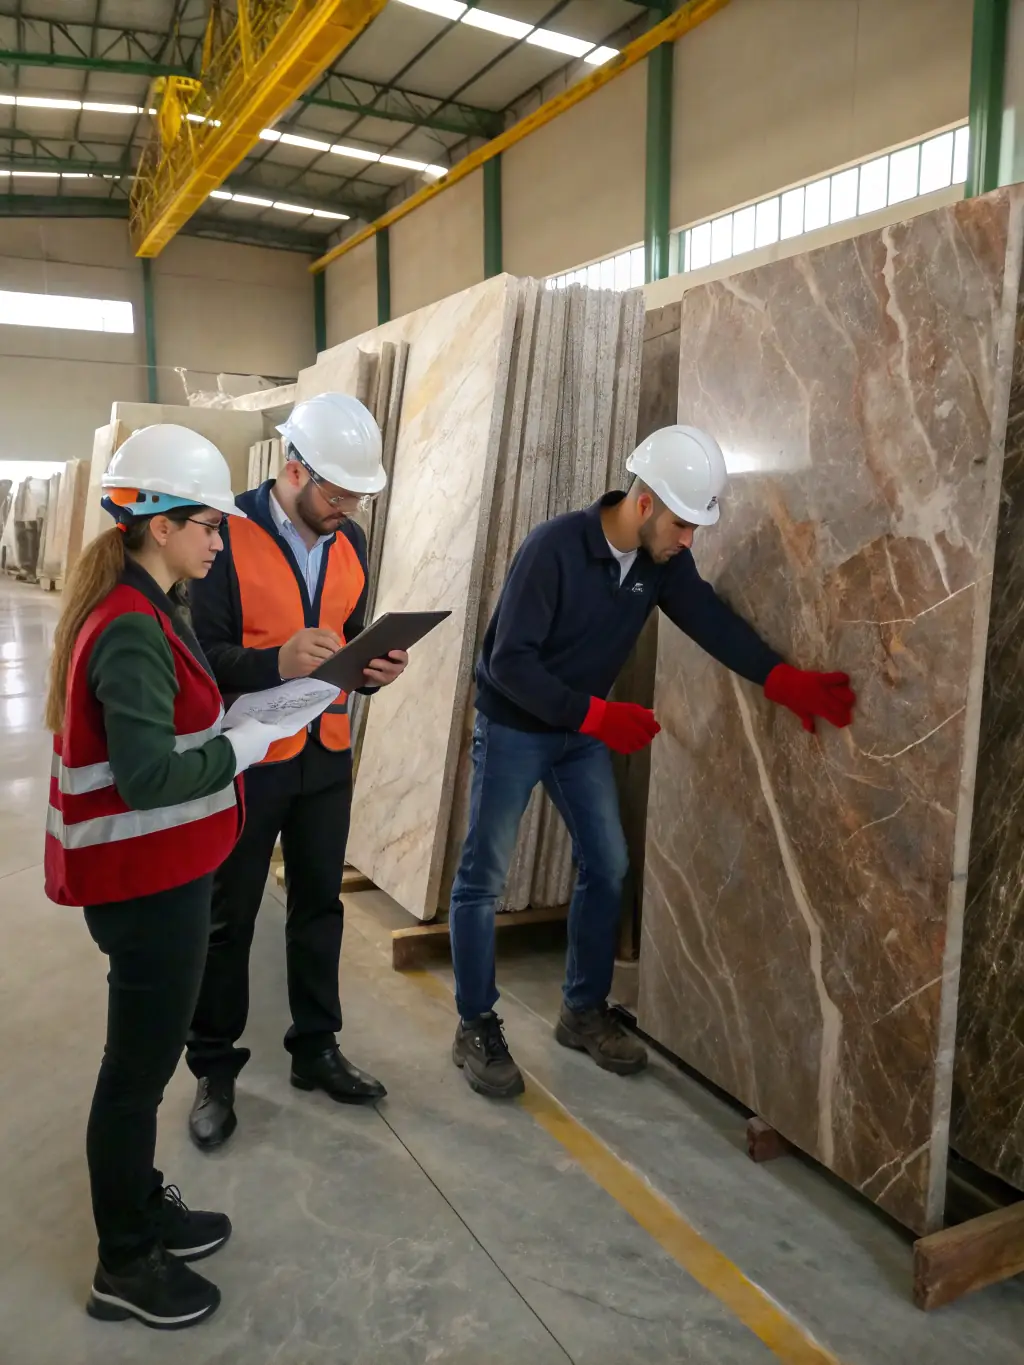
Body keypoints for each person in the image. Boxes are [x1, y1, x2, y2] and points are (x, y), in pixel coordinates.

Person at [449, 425, 857, 1099]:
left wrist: (781, 679)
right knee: (483, 879)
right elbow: (507, 664)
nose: (688, 539)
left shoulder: (660, 563)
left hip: (580, 732)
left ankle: (582, 1009)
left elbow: (709, 619)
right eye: (682, 524)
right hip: (517, 725)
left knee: (608, 864)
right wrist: (596, 717)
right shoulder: (553, 548)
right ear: (644, 503)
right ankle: (475, 1025)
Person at [43, 425, 291, 1330]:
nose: (220, 542)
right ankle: (124, 1259)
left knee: (143, 1066)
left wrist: (239, 719)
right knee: (136, 1074)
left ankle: (143, 1206)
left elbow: (170, 728)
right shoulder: (129, 626)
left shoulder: (150, 606)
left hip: (165, 871)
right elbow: (148, 775)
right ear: (159, 524)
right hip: (142, 886)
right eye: (210, 526)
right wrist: (241, 749)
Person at [185, 392, 408, 1150]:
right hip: (250, 758)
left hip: (325, 753)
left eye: (357, 497)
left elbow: (348, 636)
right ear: (294, 469)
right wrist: (273, 663)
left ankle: (316, 1047)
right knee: (230, 917)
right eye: (337, 494)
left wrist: (373, 669)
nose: (347, 509)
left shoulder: (351, 540)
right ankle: (214, 1067)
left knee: (320, 907)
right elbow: (202, 657)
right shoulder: (224, 534)